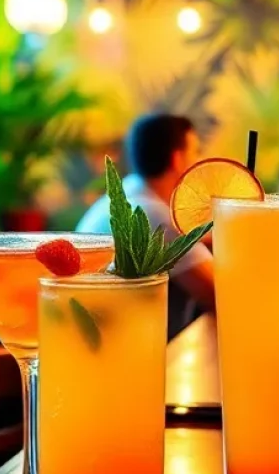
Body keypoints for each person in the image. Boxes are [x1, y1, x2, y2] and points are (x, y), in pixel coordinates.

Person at [77, 113, 213, 338]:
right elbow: (221, 295)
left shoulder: (129, 193)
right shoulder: (153, 215)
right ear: (177, 159)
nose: (200, 161)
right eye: (196, 152)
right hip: (121, 356)